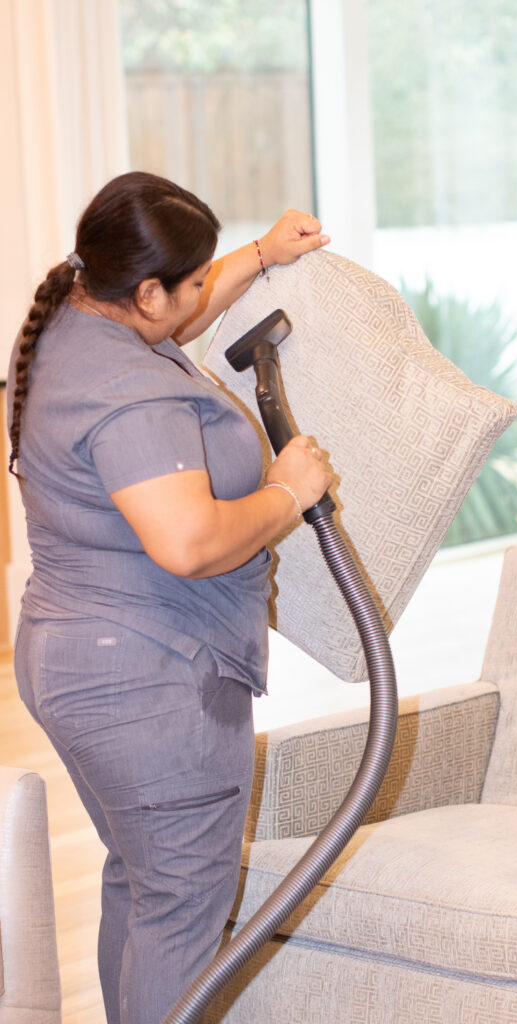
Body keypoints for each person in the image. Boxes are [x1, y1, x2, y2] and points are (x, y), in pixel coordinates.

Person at [6, 171, 333, 1024]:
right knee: (182, 903)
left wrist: (260, 255)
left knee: (146, 882)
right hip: (148, 681)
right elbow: (187, 543)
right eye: (190, 280)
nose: (199, 295)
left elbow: (175, 316)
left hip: (74, 652)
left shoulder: (79, 320)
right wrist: (288, 493)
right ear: (143, 289)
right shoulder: (133, 400)